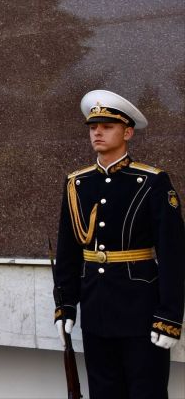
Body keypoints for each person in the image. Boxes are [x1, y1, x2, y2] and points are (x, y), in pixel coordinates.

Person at [54, 89, 184, 398]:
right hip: (95, 310)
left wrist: (168, 317)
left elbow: (173, 253)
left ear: (127, 133)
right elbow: (68, 251)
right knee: (103, 392)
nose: (97, 132)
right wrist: (66, 306)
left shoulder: (152, 182)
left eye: (107, 126)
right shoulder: (77, 183)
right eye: (92, 127)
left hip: (141, 311)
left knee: (146, 392)